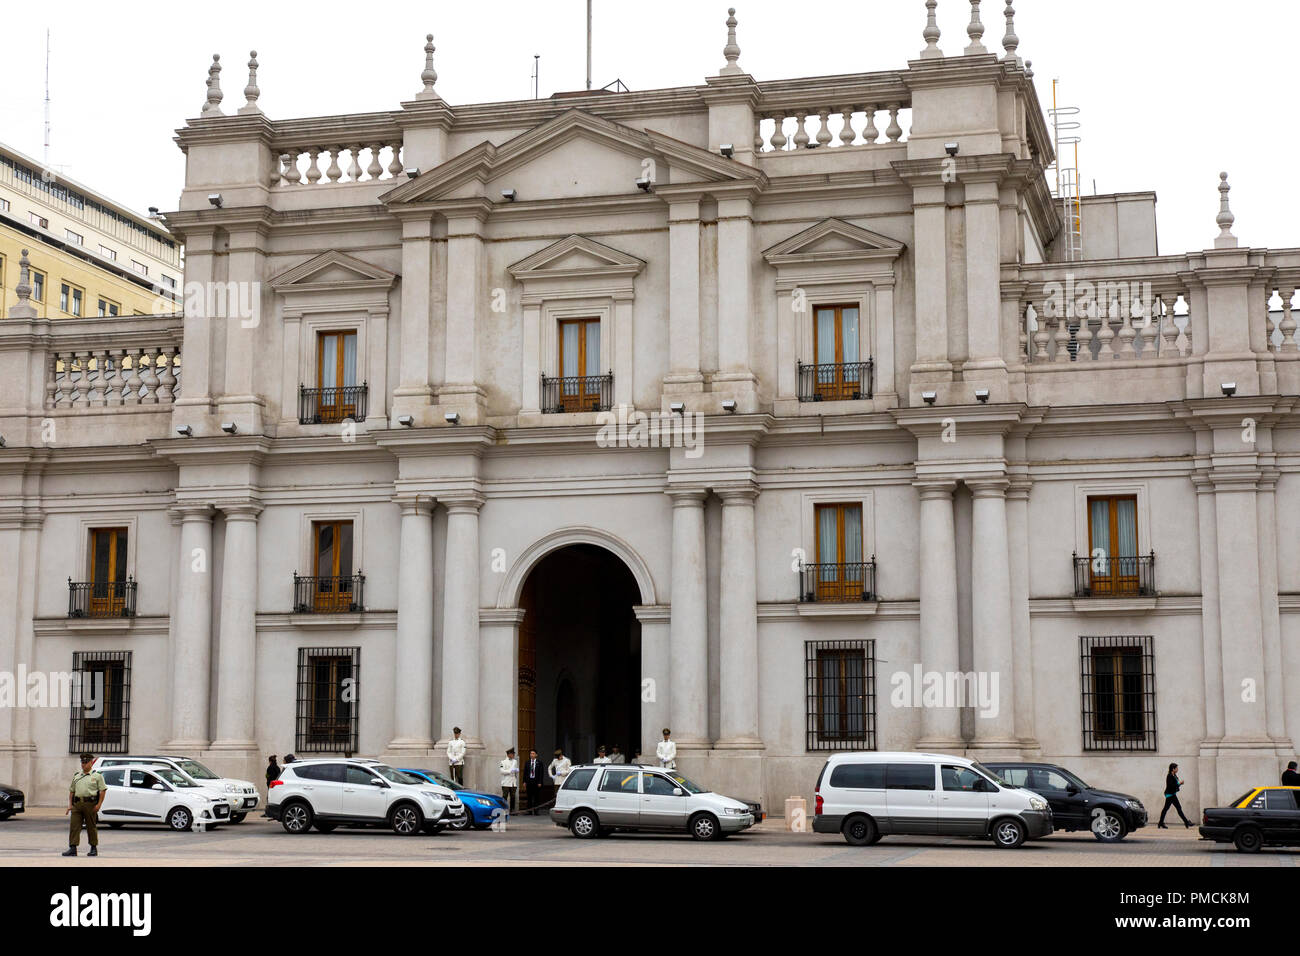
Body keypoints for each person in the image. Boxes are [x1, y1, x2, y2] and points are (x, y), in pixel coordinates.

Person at [64, 752, 107, 857]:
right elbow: (72, 791)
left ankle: (93, 848)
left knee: (91, 826)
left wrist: (99, 805)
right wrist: (70, 805)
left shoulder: (97, 776)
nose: (83, 765)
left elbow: (102, 790)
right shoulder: (77, 776)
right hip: (77, 804)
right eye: (82, 762)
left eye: (86, 762)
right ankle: (73, 848)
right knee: (74, 826)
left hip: (90, 804)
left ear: (91, 763)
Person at [1157, 762, 1193, 828]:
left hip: (1172, 794)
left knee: (1166, 809)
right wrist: (1180, 783)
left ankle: (1160, 823)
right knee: (1177, 808)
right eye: (1176, 768)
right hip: (1170, 795)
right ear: (1173, 769)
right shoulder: (1169, 776)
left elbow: (1175, 785)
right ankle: (1186, 822)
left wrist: (1179, 784)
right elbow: (1171, 786)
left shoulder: (1174, 775)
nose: (1177, 769)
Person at [499, 748, 519, 813]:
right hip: (506, 781)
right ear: (508, 754)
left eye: (513, 754)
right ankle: (503, 809)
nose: (513, 755)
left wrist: (516, 770)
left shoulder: (515, 761)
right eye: (512, 754)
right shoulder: (503, 762)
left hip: (513, 782)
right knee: (505, 796)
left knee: (513, 796)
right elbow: (502, 771)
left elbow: (516, 770)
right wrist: (510, 771)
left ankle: (512, 809)